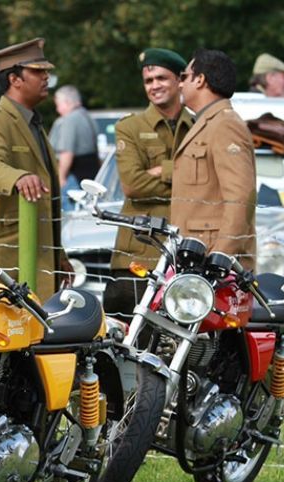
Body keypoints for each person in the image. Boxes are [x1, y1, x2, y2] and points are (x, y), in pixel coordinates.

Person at [0, 37, 73, 301]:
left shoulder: (34, 123)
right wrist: (18, 177)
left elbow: (47, 199)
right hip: (10, 263)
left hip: (40, 259)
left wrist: (58, 254)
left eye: (46, 71)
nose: (46, 77)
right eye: (37, 71)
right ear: (14, 79)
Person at [104, 48, 194, 319]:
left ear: (180, 80)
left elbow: (208, 183)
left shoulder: (198, 125)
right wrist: (183, 175)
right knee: (132, 344)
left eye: (161, 78)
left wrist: (161, 170)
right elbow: (132, 184)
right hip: (139, 253)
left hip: (186, 253)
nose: (154, 86)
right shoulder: (130, 127)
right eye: (148, 81)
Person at [173, 48, 256, 269]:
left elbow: (241, 197)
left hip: (213, 262)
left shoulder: (225, 124)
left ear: (200, 80)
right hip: (195, 256)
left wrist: (222, 255)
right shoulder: (207, 122)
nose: (180, 84)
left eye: (184, 77)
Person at [48, 85, 100, 210]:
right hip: (91, 176)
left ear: (66, 102)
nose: (57, 109)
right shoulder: (87, 116)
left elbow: (66, 153)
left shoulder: (70, 120)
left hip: (74, 178)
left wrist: (61, 178)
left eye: (58, 105)